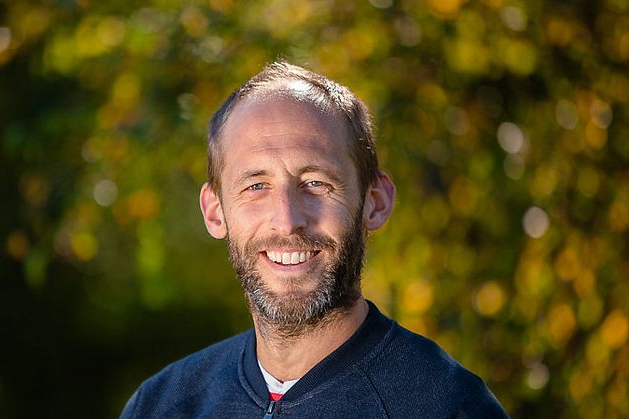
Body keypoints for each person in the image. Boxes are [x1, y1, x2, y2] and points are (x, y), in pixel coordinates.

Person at [119, 61, 508, 418]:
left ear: (375, 202)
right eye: (256, 185)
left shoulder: (447, 407)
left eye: (316, 184)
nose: (287, 221)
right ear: (215, 211)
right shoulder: (162, 405)